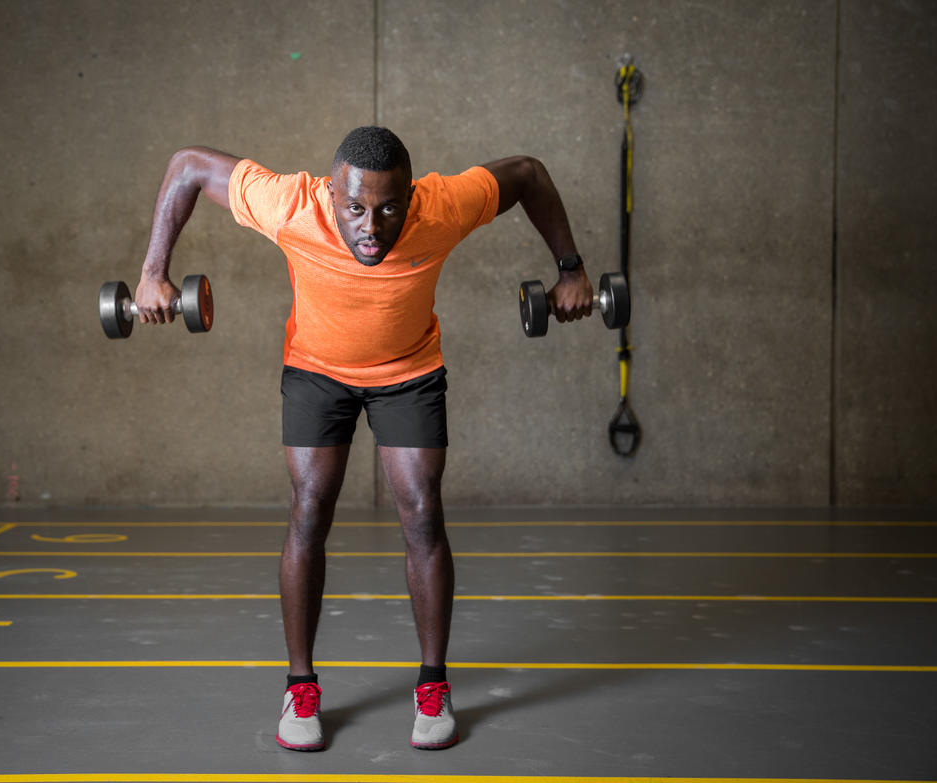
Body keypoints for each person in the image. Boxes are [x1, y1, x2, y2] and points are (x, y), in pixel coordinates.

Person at [133, 126, 593, 751]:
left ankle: (433, 687)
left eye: (388, 209)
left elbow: (529, 173)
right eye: (354, 208)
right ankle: (300, 687)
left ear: (413, 196)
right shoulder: (291, 204)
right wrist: (153, 271)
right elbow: (187, 163)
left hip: (409, 373)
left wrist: (570, 267)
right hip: (317, 372)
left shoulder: (445, 205)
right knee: (309, 511)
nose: (370, 226)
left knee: (423, 512)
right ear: (330, 194)